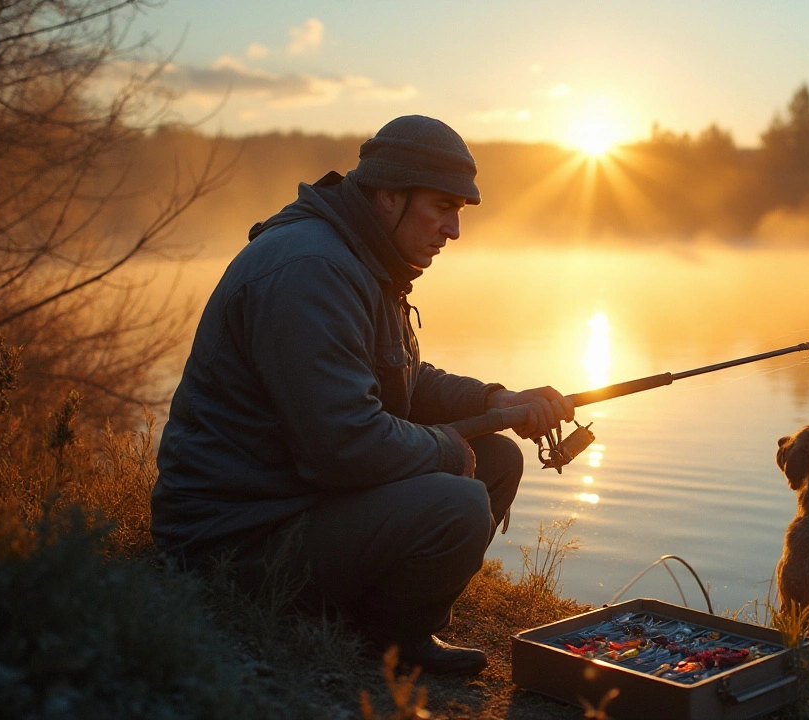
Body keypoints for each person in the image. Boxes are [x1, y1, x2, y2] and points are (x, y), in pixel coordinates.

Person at [151, 115, 573, 676]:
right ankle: (382, 644)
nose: (454, 230)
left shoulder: (361, 258)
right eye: (443, 207)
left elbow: (403, 380)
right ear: (390, 196)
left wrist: (494, 402)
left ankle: (375, 616)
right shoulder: (312, 271)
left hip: (291, 501)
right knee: (459, 500)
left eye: (460, 212)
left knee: (495, 459)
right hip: (230, 541)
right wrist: (447, 449)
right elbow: (343, 445)